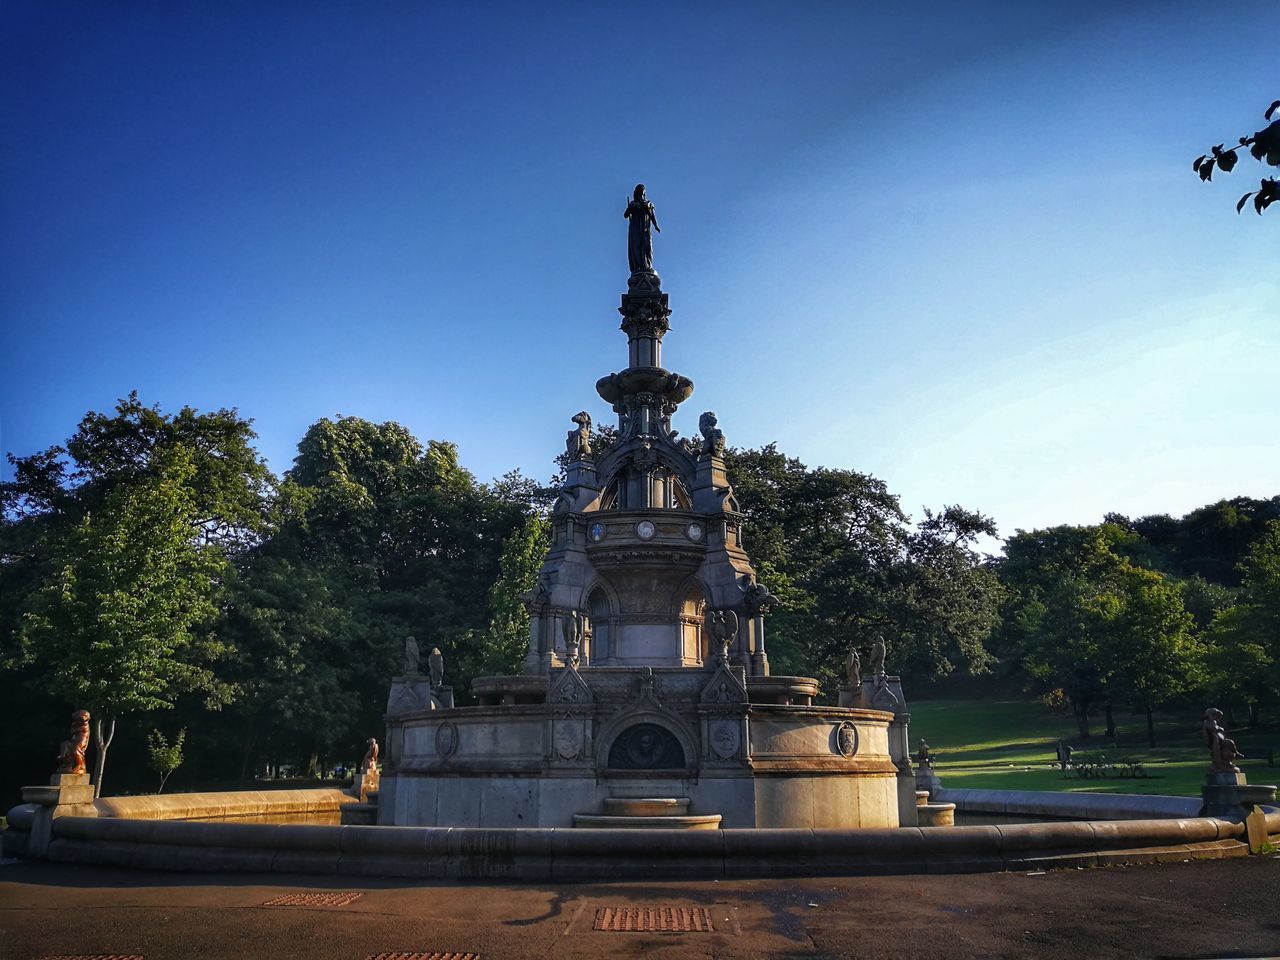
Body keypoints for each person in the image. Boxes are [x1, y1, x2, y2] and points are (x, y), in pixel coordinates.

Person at [624, 183, 660, 275]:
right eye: (640, 192)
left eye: (643, 193)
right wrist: (630, 208)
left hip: (645, 229)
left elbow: (652, 216)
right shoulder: (633, 204)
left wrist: (656, 225)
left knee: (647, 246)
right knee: (636, 246)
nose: (642, 195)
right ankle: (638, 267)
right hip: (635, 228)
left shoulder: (648, 204)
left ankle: (647, 266)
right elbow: (625, 215)